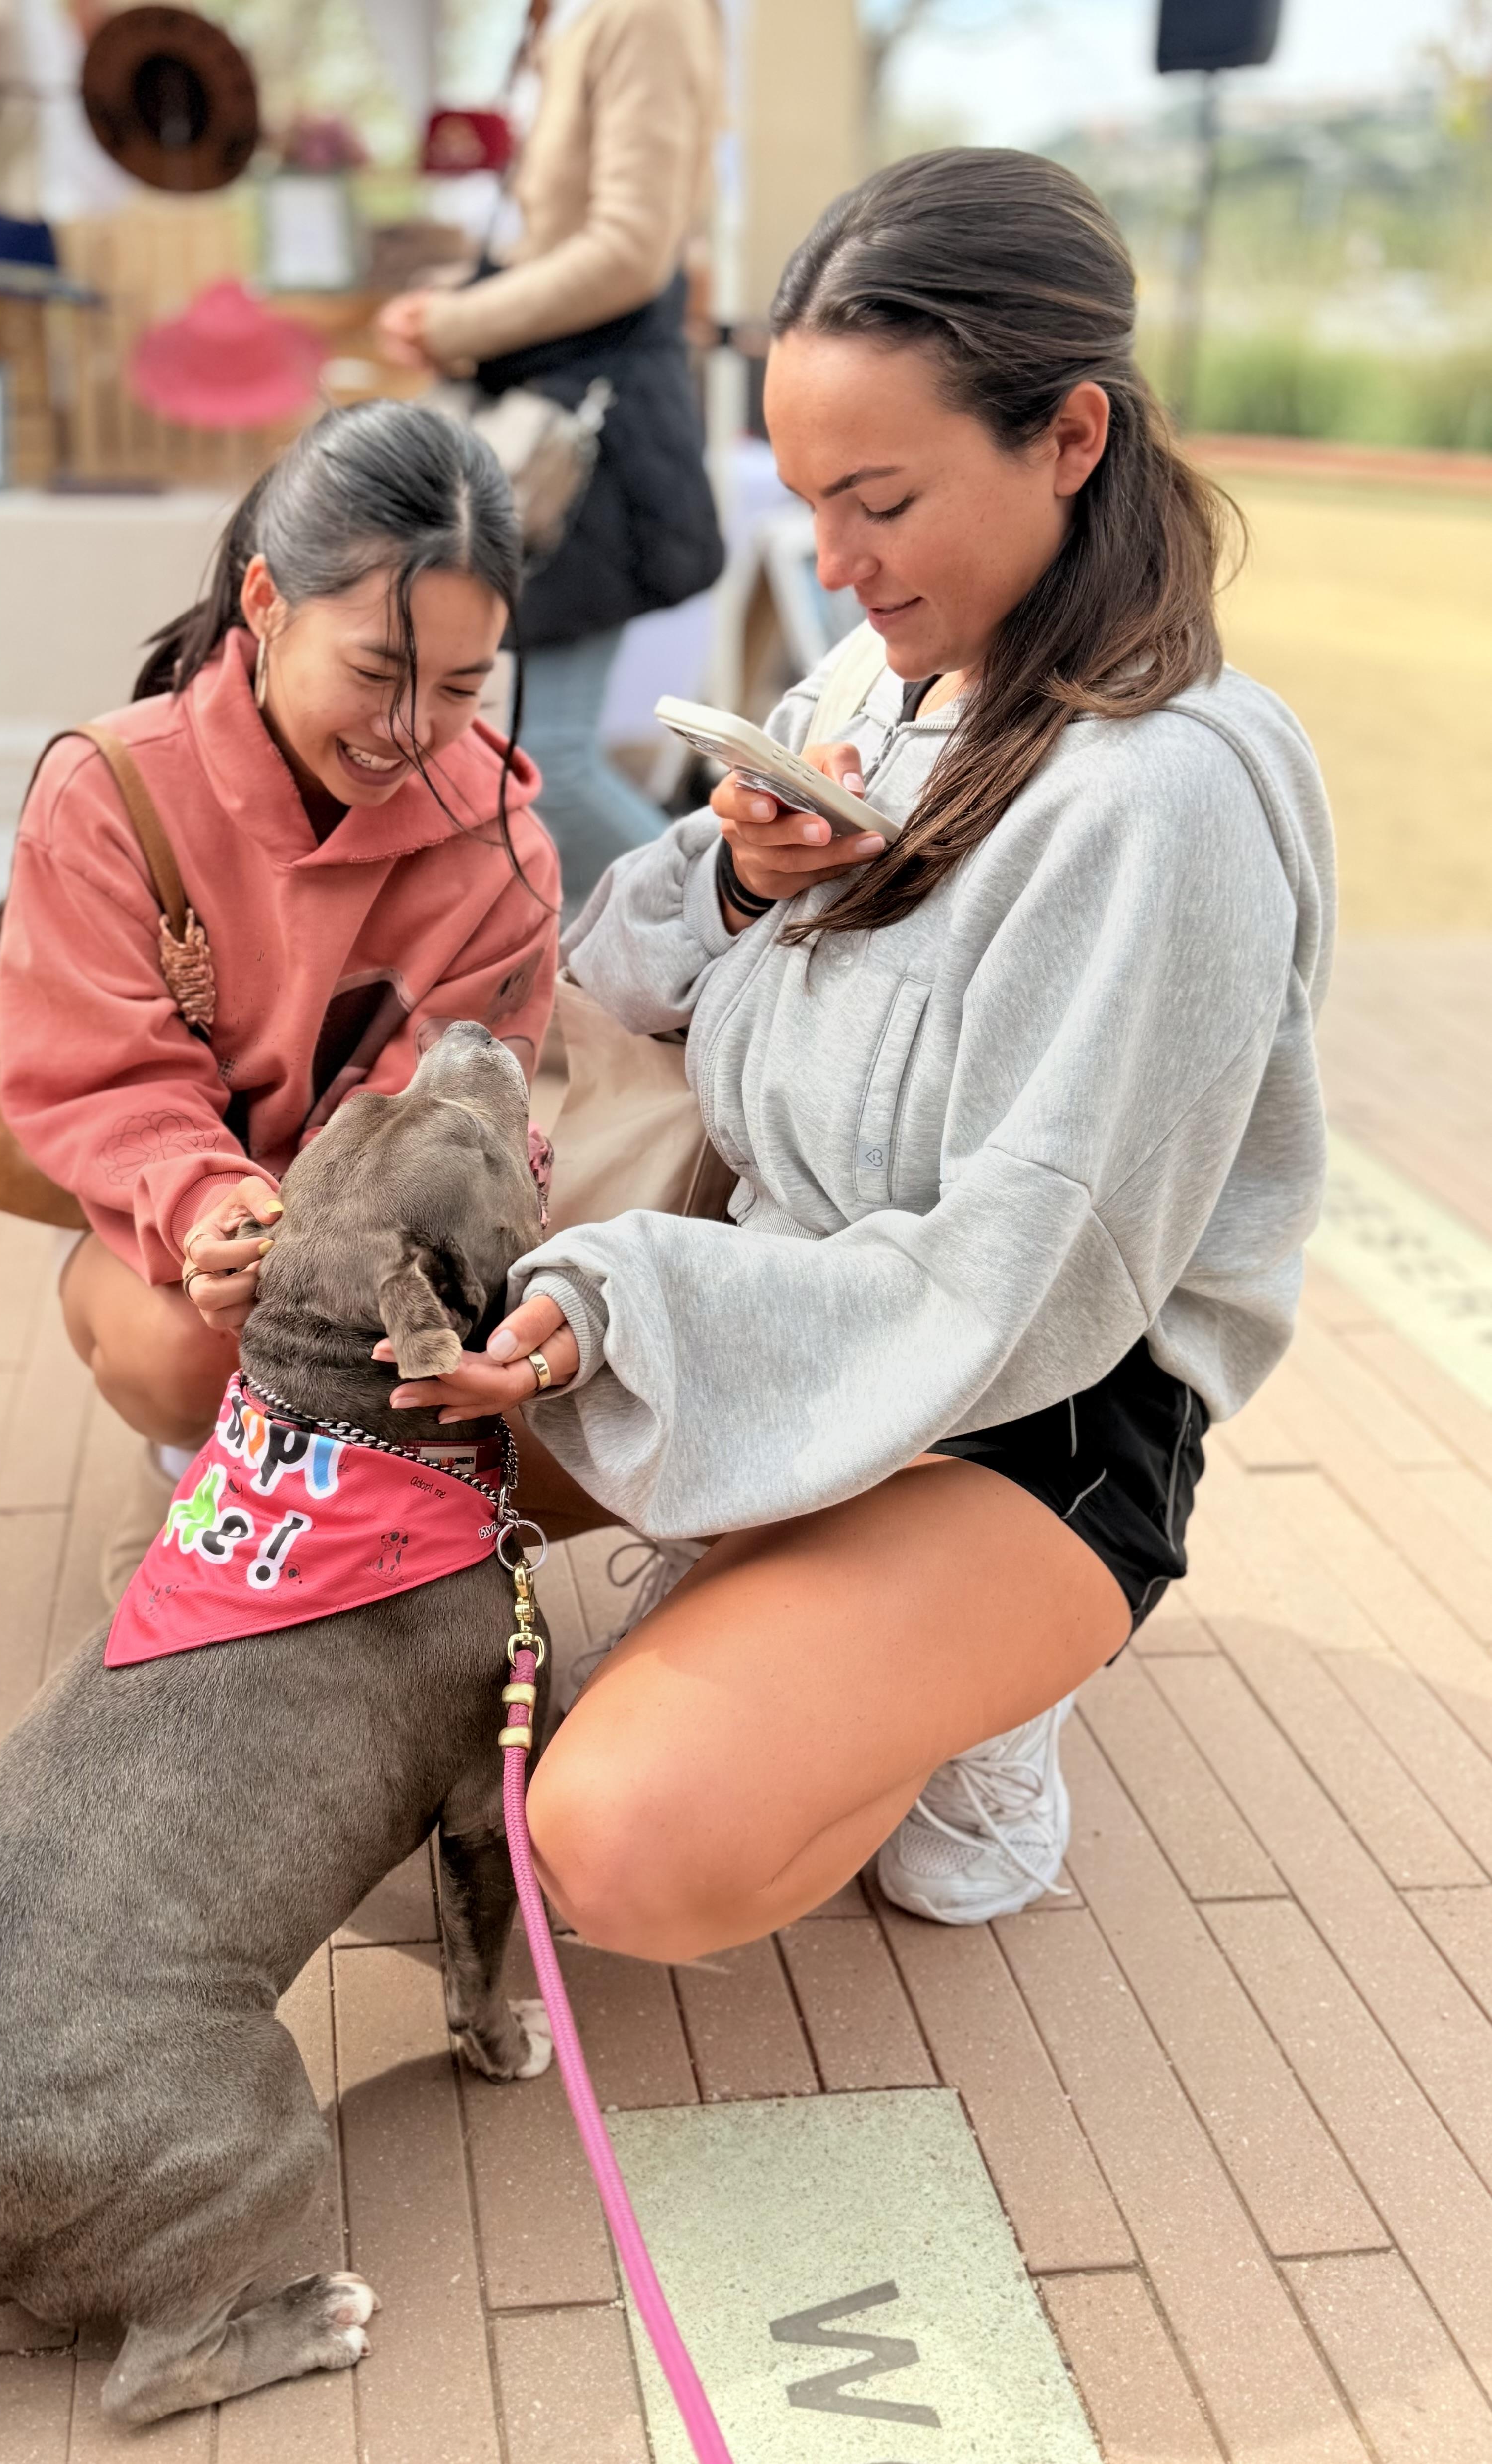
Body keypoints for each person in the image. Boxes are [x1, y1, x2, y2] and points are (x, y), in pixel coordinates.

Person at [378, 150, 1335, 1947]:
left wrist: (631, 1307)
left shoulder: (1161, 802)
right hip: (773, 1289)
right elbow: (613, 964)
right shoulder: (872, 681)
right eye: (807, 499)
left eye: (877, 499)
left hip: (1035, 1409)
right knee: (347, 1433)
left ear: (1066, 437)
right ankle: (791, 1559)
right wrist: (740, 888)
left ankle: (971, 1680)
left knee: (610, 1845)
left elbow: (1005, 1291)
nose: (829, 564)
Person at [0, 401, 560, 1595]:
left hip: (372, 1239)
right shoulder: (107, 792)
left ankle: (337, 1511)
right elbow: (113, 1081)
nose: (415, 732)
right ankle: (188, 1466)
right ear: (265, 604)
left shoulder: (503, 842)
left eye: (463, 686)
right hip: (175, 1239)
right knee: (187, 1353)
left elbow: (461, 1114)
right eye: (377, 670)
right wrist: (214, 1210)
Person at [376, 0, 725, 916]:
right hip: (571, 426)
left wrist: (455, 323)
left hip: (589, 438)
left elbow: (627, 252)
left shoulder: (642, 15)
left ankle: (746, 940)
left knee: (551, 762)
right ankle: (667, 973)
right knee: (537, 748)